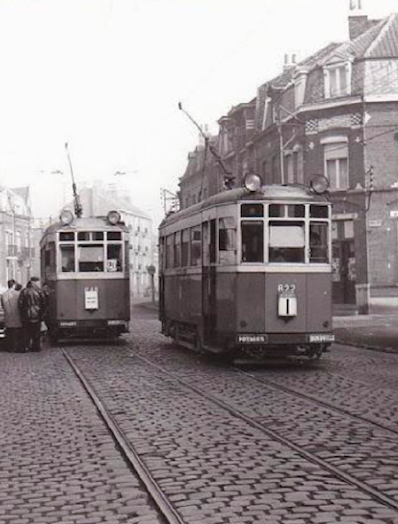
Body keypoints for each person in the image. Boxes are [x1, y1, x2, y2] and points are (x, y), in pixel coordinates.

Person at [18, 276, 47, 352]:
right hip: (37, 314)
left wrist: (22, 313)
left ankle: (25, 347)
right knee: (36, 332)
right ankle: (36, 347)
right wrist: (42, 314)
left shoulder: (23, 291)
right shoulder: (39, 291)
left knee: (26, 332)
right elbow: (44, 304)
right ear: (36, 282)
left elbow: (20, 304)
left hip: (26, 315)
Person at [1, 279, 23, 353]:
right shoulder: (18, 294)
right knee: (16, 333)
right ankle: (16, 347)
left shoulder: (3, 295)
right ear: (14, 285)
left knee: (9, 333)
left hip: (7, 316)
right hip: (17, 315)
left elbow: (3, 305)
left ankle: (9, 347)